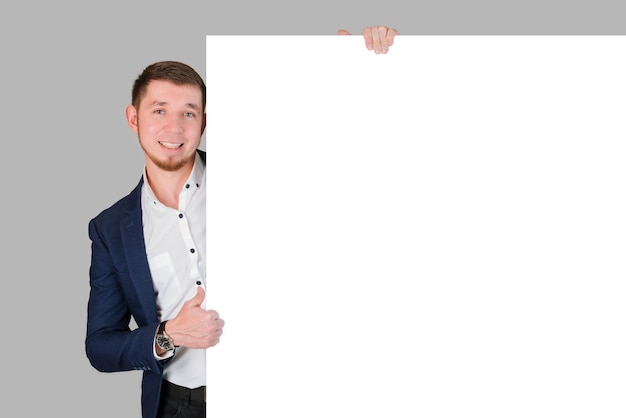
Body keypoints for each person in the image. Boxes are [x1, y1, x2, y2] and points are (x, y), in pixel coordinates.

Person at [85, 26, 398, 418]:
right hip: (177, 405)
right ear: (134, 117)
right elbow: (100, 346)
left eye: (189, 113)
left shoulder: (260, 175)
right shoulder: (111, 228)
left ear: (204, 121)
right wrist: (168, 336)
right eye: (159, 110)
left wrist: (364, 63)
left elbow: (340, 155)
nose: (174, 128)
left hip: (279, 393)